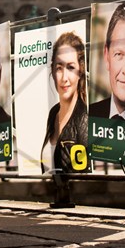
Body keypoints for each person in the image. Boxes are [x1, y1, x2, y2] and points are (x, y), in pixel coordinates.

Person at [42, 32, 89, 174]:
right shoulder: (53, 113)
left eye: (70, 67)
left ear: (80, 71)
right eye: (59, 68)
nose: (64, 78)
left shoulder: (85, 119)